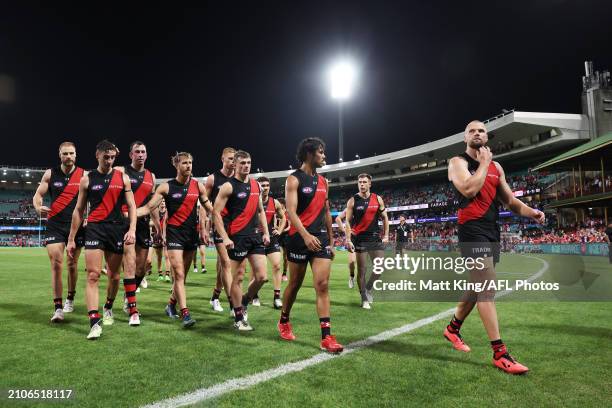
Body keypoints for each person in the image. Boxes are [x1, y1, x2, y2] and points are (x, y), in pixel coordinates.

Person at [445, 120, 545, 374]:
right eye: (472, 131)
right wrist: (485, 163)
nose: (477, 134)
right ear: (465, 137)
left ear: (487, 137)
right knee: (487, 285)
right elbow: (469, 189)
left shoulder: (497, 167)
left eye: (482, 131)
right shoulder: (457, 162)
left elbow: (510, 201)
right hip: (471, 229)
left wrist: (532, 212)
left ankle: (452, 329)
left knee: (477, 285)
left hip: (491, 230)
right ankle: (500, 353)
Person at [67, 140, 138, 340]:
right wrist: (72, 238)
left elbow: (132, 206)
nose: (109, 161)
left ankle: (108, 306)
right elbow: (79, 210)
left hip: (116, 229)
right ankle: (94, 322)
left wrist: (132, 229)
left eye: (112, 158)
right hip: (95, 229)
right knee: (93, 275)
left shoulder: (123, 178)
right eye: (105, 157)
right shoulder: (87, 179)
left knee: (115, 276)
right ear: (97, 155)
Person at [277, 137, 343, 353]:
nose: (324, 156)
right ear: (309, 154)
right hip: (298, 239)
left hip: (320, 238)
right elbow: (291, 212)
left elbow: (326, 213)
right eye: (321, 152)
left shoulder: (324, 183)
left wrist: (332, 242)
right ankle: (284, 320)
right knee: (294, 284)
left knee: (322, 285)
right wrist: (305, 235)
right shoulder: (293, 180)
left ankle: (326, 336)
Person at [137, 152, 210, 328]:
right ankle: (185, 313)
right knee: (178, 273)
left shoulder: (198, 186)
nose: (189, 166)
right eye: (185, 163)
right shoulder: (165, 187)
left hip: (191, 235)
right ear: (177, 165)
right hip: (174, 235)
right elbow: (148, 207)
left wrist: (219, 219)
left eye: (191, 163)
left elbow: (210, 208)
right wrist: (128, 214)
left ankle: (170, 304)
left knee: (181, 277)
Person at [213, 150, 270, 331]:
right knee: (237, 278)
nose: (246, 165)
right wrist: (225, 237)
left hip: (255, 236)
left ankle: (245, 300)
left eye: (248, 162)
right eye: (243, 163)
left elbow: (261, 211)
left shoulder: (256, 186)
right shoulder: (228, 186)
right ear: (235, 165)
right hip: (236, 237)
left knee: (262, 277)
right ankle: (238, 317)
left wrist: (266, 232)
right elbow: (215, 212)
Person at [33, 142, 86, 322]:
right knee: (56, 263)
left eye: (71, 153)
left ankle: (70, 298)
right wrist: (38, 207)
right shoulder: (50, 173)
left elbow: (92, 198)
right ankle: (58, 308)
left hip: (76, 226)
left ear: (76, 155)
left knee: (72, 265)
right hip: (55, 224)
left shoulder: (84, 175)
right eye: (65, 154)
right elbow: (38, 195)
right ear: (60, 155)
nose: (68, 156)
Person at [114, 141, 161, 311]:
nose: (140, 154)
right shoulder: (121, 171)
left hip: (142, 223)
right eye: (137, 152)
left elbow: (152, 203)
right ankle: (131, 303)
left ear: (146, 155)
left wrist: (157, 225)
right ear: (131, 155)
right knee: (130, 263)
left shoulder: (151, 176)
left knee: (144, 265)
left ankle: (129, 294)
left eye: (143, 151)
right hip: (124, 221)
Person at [344, 173, 389, 309]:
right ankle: (364, 298)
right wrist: (348, 239)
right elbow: (347, 221)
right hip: (360, 239)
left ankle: (368, 288)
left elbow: (385, 218)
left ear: (370, 184)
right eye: (360, 182)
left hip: (375, 238)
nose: (362, 184)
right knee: (362, 270)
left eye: (364, 182)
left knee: (379, 268)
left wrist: (386, 235)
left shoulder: (378, 199)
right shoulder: (353, 200)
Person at [249, 176, 287, 309]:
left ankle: (277, 297)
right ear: (257, 187)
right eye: (262, 185)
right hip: (255, 238)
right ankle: (254, 295)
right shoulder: (251, 200)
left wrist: (280, 231)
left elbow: (284, 218)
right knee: (255, 270)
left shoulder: (275, 202)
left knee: (277, 265)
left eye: (267, 185)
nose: (265, 187)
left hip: (271, 238)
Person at [205, 147, 235, 313]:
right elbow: (203, 200)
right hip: (220, 225)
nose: (232, 161)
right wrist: (207, 221)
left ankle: (215, 296)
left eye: (234, 159)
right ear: (222, 159)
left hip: (236, 226)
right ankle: (233, 305)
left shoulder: (239, 178)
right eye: (230, 158)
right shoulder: (213, 179)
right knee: (226, 263)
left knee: (223, 268)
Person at [334, 209, 357, 289]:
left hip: (364, 237)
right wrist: (344, 230)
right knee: (352, 262)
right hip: (352, 238)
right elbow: (337, 218)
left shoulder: (367, 206)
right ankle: (351, 276)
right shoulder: (349, 209)